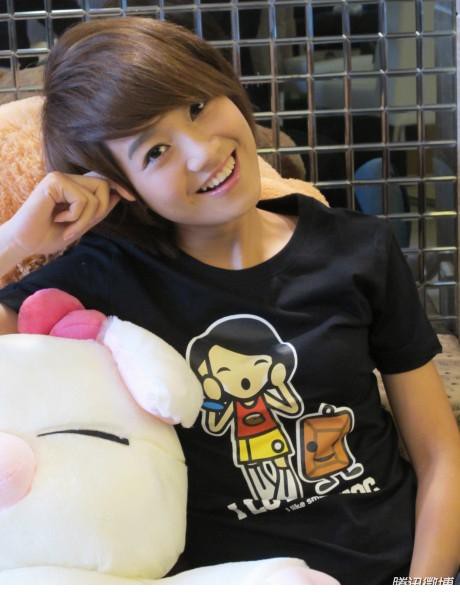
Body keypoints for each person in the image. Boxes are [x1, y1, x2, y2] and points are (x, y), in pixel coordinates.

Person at [0, 17, 459, 585]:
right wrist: (17, 242)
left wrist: (425, 593)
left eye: (197, 106)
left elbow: (439, 452)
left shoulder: (357, 248)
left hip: (400, 575)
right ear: (118, 187)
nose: (202, 152)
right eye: (156, 151)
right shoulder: (107, 276)